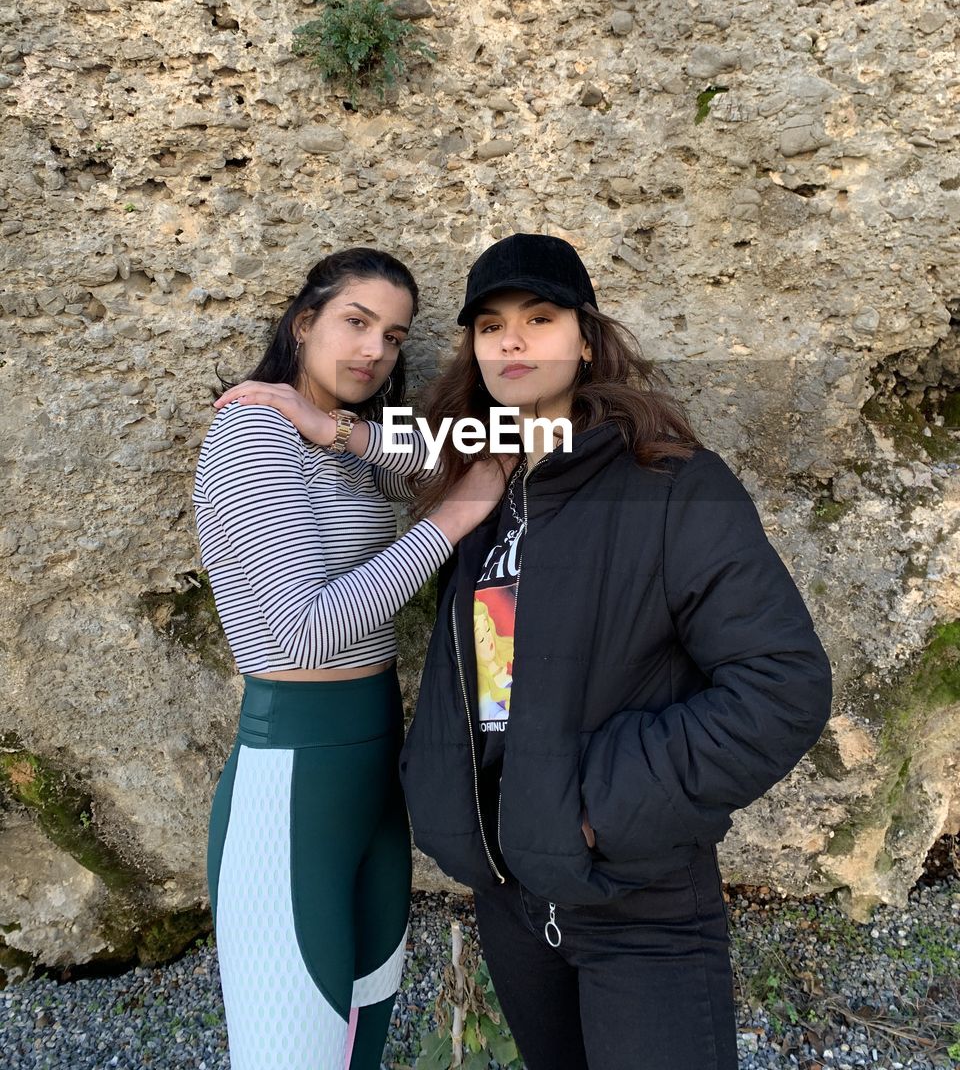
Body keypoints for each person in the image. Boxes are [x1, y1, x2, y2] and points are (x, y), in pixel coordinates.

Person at [400, 233, 834, 1070]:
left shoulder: (671, 484)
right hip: (508, 898)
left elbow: (781, 685)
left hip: (640, 904)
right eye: (489, 326)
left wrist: (600, 803)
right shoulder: (477, 489)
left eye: (539, 317)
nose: (512, 341)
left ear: (587, 338)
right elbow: (480, 674)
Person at [192, 247, 507, 1070]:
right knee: (287, 1056)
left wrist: (337, 427)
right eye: (355, 323)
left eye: (394, 337)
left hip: (372, 777)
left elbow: (487, 449)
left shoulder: (347, 445)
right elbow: (300, 629)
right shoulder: (252, 434)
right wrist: (448, 527)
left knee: (359, 1041)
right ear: (305, 324)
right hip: (293, 781)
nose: (375, 350)